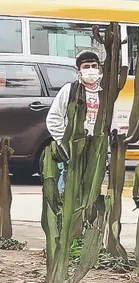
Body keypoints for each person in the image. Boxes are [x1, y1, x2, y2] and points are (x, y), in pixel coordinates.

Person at [46, 51, 103, 193]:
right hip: (72, 147)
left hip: (97, 147)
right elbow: (53, 118)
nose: (90, 69)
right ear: (78, 70)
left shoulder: (105, 92)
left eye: (94, 66)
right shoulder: (70, 90)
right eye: (86, 66)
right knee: (68, 187)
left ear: (99, 68)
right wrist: (64, 143)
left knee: (91, 189)